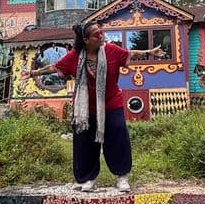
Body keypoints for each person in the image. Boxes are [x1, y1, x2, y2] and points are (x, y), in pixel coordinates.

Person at [20, 20, 164, 192]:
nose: (101, 35)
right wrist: (32, 73)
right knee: (84, 142)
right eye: (97, 34)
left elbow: (131, 53)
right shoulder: (74, 57)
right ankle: (88, 178)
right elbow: (55, 66)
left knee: (118, 134)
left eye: (101, 31)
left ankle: (122, 176)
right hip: (85, 109)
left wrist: (150, 52)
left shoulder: (111, 50)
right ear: (86, 40)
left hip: (111, 103)